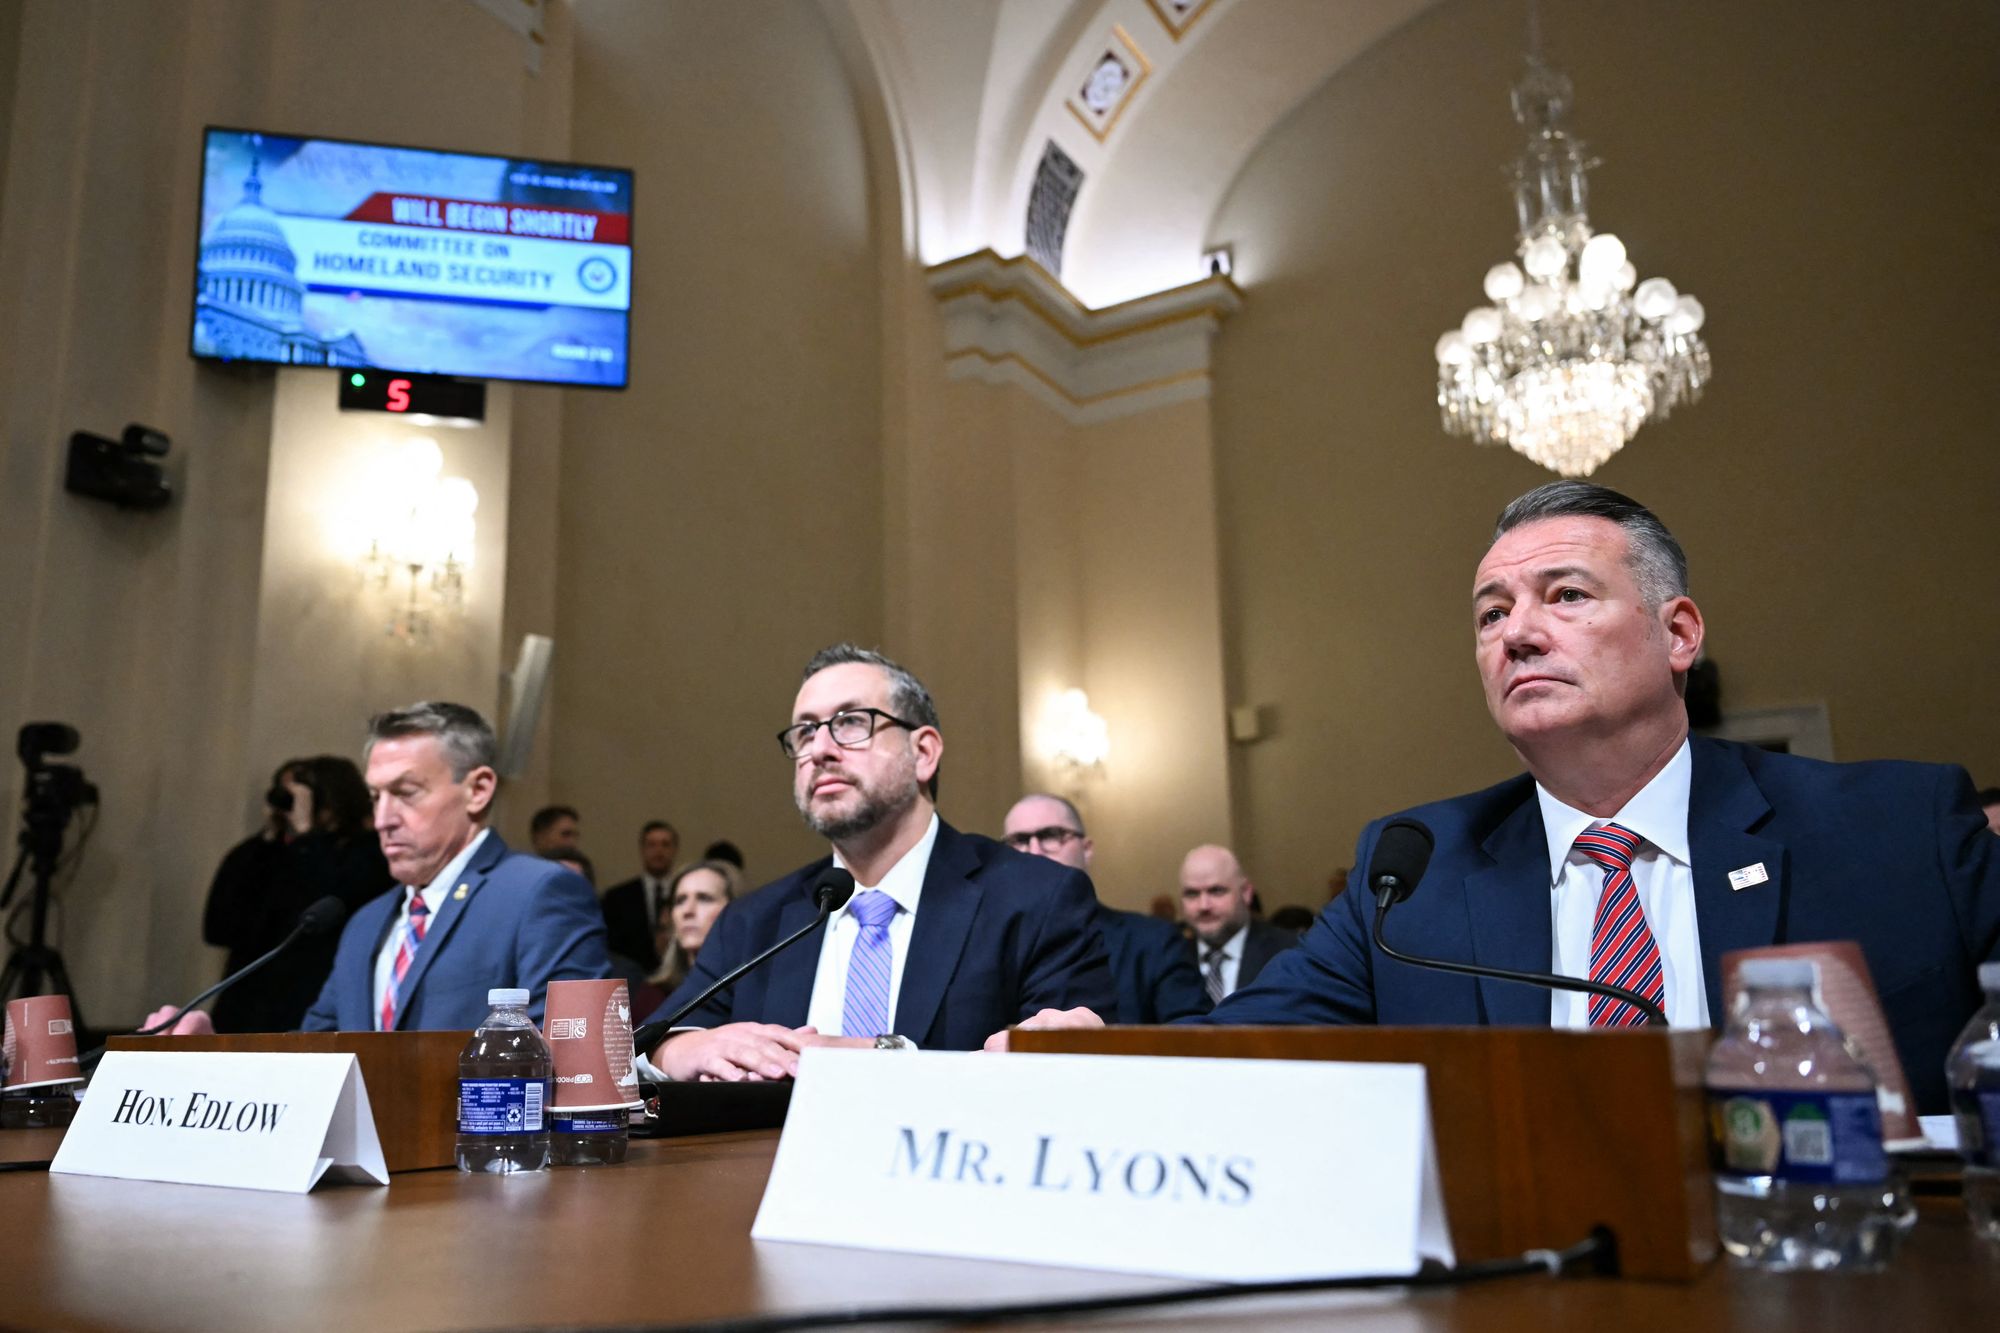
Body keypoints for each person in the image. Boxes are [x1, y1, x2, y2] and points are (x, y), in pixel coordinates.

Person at [1204, 481, 1999, 1113]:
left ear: (1679, 634)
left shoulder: (1901, 826)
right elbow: (1237, 1045)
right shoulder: (1413, 873)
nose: (1517, 633)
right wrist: (1088, 1042)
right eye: (1492, 613)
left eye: (1567, 595)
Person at [640, 644, 1111, 1081]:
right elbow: (654, 1042)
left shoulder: (1036, 898)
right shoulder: (754, 922)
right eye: (804, 731)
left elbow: (1064, 1072)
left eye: (850, 722)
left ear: (922, 752)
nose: (819, 750)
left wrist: (881, 1060)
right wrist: (682, 1050)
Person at [200, 755, 390, 1032]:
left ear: (333, 799)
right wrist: (266, 841)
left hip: (308, 1005)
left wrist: (307, 837)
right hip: (246, 1009)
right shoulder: (264, 853)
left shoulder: (369, 852)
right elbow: (218, 928)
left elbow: (337, 898)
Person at [1001, 793, 1207, 1023]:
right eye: (1019, 840)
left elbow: (1193, 1037)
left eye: (1051, 835)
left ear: (1087, 849)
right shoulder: (984, 948)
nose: (1034, 851)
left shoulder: (1154, 942)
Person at [1179, 844, 1298, 1002]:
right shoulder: (1169, 957)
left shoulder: (1290, 953)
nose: (1204, 905)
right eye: (1192, 894)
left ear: (1246, 893)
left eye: (1216, 891)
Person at [631, 859, 745, 1019]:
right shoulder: (651, 997)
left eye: (704, 898)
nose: (688, 911)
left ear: (736, 909)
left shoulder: (751, 993)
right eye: (680, 901)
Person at [601, 820, 680, 971]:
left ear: (675, 849)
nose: (659, 851)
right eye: (652, 844)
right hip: (633, 979)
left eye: (665, 844)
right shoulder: (617, 898)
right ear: (642, 849)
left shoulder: (685, 893)